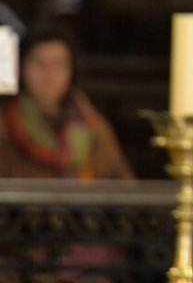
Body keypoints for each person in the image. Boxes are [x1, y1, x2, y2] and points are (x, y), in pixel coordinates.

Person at [0, 19, 134, 180]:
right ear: (21, 68)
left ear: (72, 71)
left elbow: (124, 188)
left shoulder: (95, 129)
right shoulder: (4, 129)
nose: (49, 75)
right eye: (39, 63)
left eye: (59, 64)